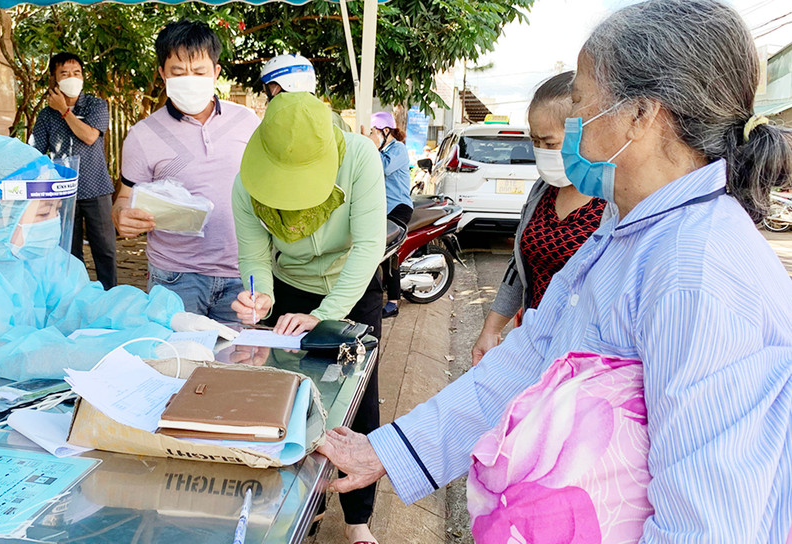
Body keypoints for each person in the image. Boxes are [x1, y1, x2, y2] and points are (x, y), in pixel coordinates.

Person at [317, 1, 792, 541]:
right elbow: (534, 358)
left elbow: (708, 522)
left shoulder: (697, 268)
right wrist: (388, 449)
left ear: (643, 114)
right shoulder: (627, 228)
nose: (572, 132)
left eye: (582, 106)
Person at [0, 135, 234, 395]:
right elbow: (6, 353)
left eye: (57, 210)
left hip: (10, 392)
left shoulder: (22, 247)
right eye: (44, 212)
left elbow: (80, 301)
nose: (53, 222)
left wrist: (162, 314)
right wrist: (142, 350)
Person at [230, 92, 385, 544]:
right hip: (289, 290)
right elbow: (256, 255)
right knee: (289, 400)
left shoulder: (359, 157)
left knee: (358, 404)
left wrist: (326, 314)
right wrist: (259, 299)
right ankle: (301, 506)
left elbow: (368, 246)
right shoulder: (246, 181)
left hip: (351, 290)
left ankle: (358, 521)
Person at [114, 20, 260, 321]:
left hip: (242, 275)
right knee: (177, 363)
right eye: (179, 72)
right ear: (162, 74)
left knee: (235, 363)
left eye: (199, 72)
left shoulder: (247, 121)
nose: (189, 80)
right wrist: (121, 216)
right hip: (175, 278)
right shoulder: (142, 135)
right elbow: (124, 198)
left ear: (216, 72)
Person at [471, 71, 614, 363]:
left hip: (581, 360)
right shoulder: (542, 191)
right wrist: (491, 328)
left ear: (581, 134)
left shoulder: (613, 203)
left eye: (550, 144)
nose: (541, 152)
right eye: (535, 142)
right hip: (533, 346)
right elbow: (520, 266)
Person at [30, 52, 118, 290]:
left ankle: (110, 296)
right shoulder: (46, 115)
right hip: (62, 192)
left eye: (76, 73)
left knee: (105, 250)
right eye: (64, 73)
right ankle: (74, 296)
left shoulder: (96, 105)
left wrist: (65, 111)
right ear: (54, 79)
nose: (72, 77)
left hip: (96, 188)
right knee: (68, 251)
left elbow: (90, 136)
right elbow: (35, 150)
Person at [366, 111, 413, 318]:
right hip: (380, 208)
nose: (371, 136)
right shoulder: (382, 148)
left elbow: (381, 169)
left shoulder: (398, 149)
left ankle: (393, 302)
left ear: (386, 131)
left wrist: (372, 147)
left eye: (373, 132)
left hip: (398, 208)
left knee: (387, 253)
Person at [260, 53, 351, 132]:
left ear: (283, 83)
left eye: (269, 86)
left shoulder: (283, 123)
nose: (265, 92)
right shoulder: (332, 117)